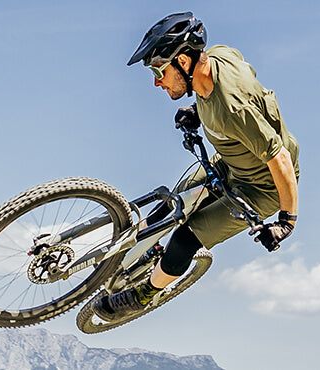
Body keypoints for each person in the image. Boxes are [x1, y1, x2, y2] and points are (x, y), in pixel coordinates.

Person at [92, 11, 300, 320]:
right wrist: (198, 111)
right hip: (230, 162)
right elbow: (242, 70)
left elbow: (279, 158)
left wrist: (287, 221)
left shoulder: (233, 109)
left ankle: (144, 293)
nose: (155, 81)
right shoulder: (218, 56)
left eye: (158, 70)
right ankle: (142, 253)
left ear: (184, 62)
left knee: (185, 239)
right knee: (171, 204)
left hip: (262, 188)